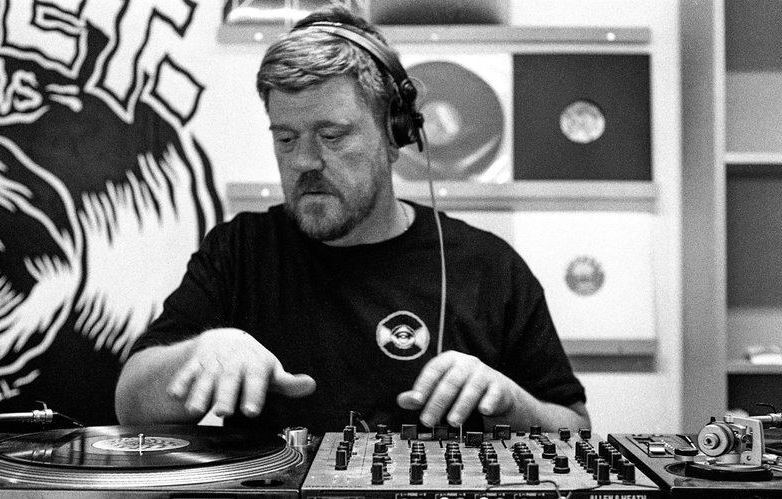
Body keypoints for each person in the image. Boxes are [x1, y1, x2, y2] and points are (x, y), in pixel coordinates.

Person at [115, 6, 589, 435]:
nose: (304, 161)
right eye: (285, 139)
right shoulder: (238, 251)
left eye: (332, 135)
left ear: (394, 135)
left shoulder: (487, 265)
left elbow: (575, 428)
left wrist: (512, 405)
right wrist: (200, 352)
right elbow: (130, 406)